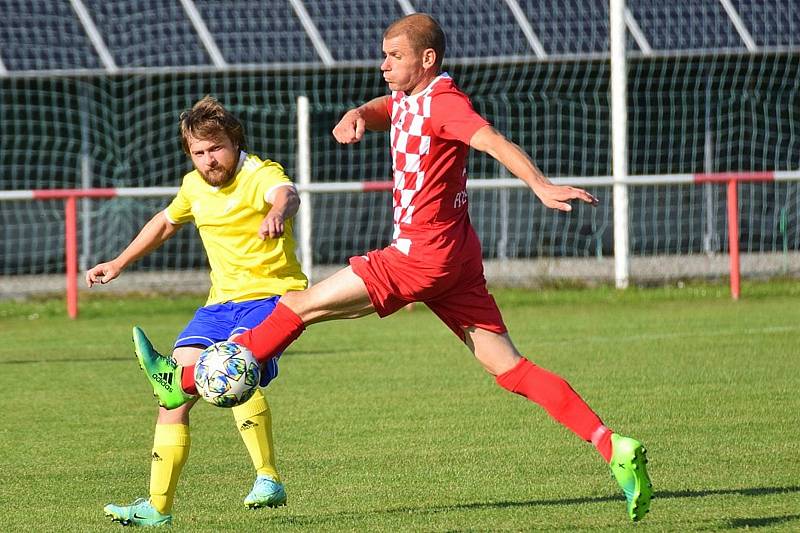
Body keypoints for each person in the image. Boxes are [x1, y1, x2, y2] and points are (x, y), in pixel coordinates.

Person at [135, 14, 652, 522]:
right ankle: (611, 444)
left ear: (427, 60)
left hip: (419, 255)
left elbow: (490, 139)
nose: (384, 65)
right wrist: (360, 111)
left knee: (300, 304)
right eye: (384, 55)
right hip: (457, 258)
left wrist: (540, 184)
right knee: (509, 368)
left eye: (394, 56)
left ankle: (180, 380)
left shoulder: (445, 104)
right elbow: (391, 108)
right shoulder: (411, 97)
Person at [86, 95, 308, 526]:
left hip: (270, 296)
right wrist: (118, 262)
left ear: (234, 141)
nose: (209, 160)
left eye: (216, 148)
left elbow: (287, 194)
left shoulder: (260, 173)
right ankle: (157, 508)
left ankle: (267, 477)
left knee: (233, 365)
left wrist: (278, 212)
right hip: (218, 305)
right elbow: (166, 222)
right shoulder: (192, 187)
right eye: (199, 152)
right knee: (173, 397)